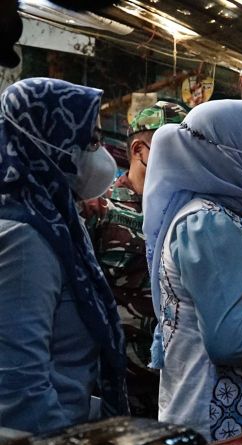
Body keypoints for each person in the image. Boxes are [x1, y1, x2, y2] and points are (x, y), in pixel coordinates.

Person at [143, 99, 242, 441]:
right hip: (218, 424)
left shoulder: (212, 215)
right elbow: (229, 340)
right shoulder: (208, 223)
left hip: (211, 414)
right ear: (229, 153)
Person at [0, 78, 128, 433]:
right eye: (91, 141)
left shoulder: (52, 220)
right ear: (50, 140)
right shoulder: (25, 236)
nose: (102, 155)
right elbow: (19, 387)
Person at [84, 101, 187, 418]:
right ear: (140, 149)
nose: (183, 158)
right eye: (171, 146)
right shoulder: (101, 210)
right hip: (114, 384)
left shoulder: (185, 213)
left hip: (173, 384)